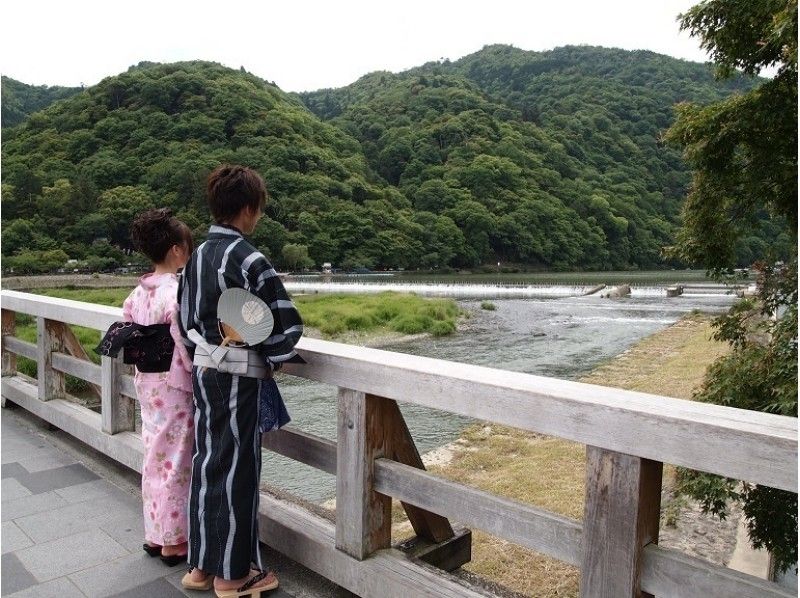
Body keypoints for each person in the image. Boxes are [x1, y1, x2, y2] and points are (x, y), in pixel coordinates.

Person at [178, 165, 303, 597]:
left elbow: (184, 320)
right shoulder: (250, 258)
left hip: (204, 370)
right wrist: (277, 356)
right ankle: (233, 577)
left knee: (208, 462)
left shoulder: (195, 258)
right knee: (239, 469)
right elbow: (282, 324)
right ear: (248, 209)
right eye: (258, 210)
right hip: (238, 378)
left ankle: (201, 566)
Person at [100, 208, 195, 566]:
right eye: (186, 246)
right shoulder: (176, 292)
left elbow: (127, 328)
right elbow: (184, 343)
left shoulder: (137, 293)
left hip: (147, 380)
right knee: (176, 459)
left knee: (153, 455)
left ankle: (155, 534)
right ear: (175, 250)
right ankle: (173, 540)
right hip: (174, 384)